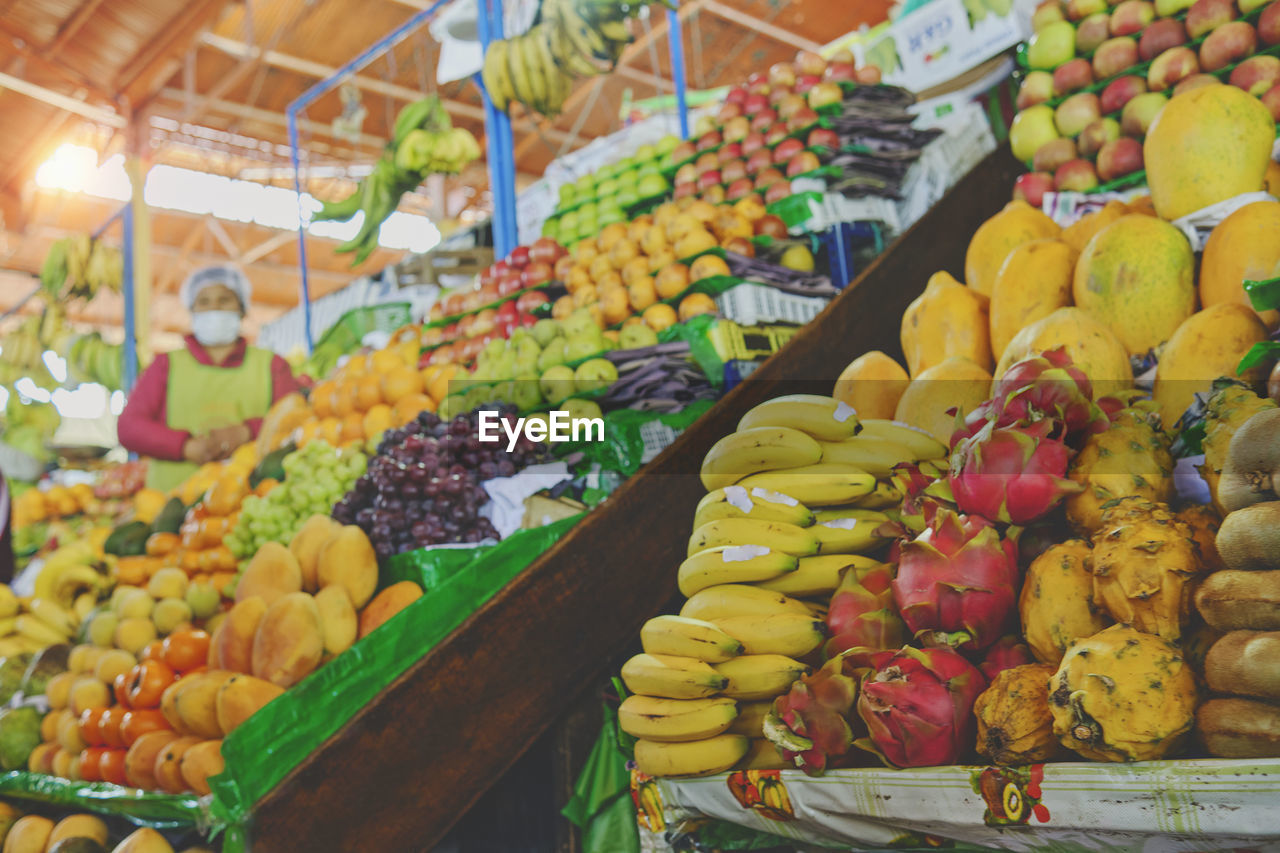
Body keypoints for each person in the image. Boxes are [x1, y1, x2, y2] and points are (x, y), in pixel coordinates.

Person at [118, 265, 300, 492]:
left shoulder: (272, 365)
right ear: (191, 311)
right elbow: (129, 427)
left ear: (242, 309)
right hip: (168, 503)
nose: (214, 308)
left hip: (251, 496)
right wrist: (186, 447)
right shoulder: (166, 365)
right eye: (203, 302)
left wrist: (247, 432)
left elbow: (296, 420)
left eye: (225, 300)